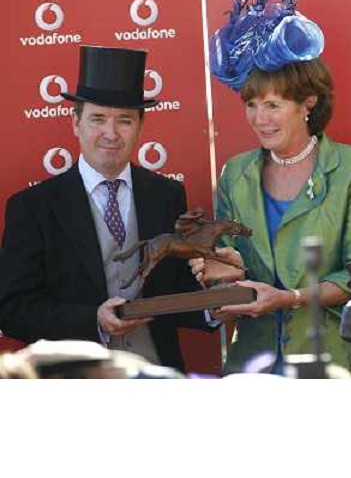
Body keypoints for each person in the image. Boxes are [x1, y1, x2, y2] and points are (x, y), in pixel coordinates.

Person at [190, 0, 351, 374]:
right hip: (253, 366)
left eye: (273, 105)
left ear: (307, 103)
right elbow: (232, 279)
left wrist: (288, 297)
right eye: (252, 104)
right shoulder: (234, 173)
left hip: (333, 362)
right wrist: (220, 269)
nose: (260, 119)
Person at [0, 46, 215, 373]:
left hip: (157, 378)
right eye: (98, 118)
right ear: (76, 122)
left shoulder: (167, 195)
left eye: (124, 120)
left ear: (141, 125)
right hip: (74, 386)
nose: (111, 134)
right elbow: (13, 310)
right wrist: (92, 320)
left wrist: (215, 308)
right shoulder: (32, 208)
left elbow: (176, 293)